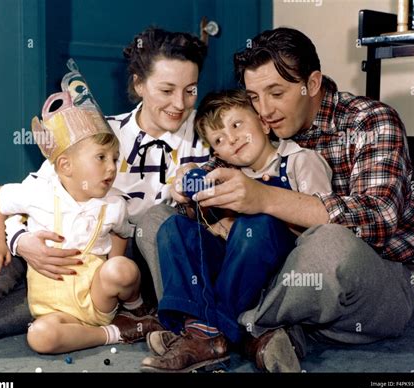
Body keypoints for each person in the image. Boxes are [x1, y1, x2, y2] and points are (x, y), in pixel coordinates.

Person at [138, 27, 414, 372]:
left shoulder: (370, 121)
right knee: (157, 219)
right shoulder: (250, 129)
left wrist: (264, 199)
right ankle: (256, 332)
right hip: (263, 276)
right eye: (254, 97)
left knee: (330, 243)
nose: (265, 111)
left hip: (359, 287)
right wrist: (191, 191)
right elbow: (199, 203)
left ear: (312, 84)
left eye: (276, 93)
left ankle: (204, 326)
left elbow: (379, 221)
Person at [0, 27, 209, 347]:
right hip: (29, 234)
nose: (179, 103)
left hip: (97, 271)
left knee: (4, 322)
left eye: (190, 90)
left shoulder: (204, 144)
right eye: (167, 90)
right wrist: (23, 242)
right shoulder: (97, 133)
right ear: (139, 84)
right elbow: (31, 195)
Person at [139, 89, 333, 372]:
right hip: (234, 267)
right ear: (216, 152)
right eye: (219, 139)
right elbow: (193, 205)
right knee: (174, 228)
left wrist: (258, 211)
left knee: (257, 223)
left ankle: (202, 332)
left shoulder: (300, 160)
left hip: (277, 271)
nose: (230, 139)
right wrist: (185, 183)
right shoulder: (225, 174)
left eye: (236, 124)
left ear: (264, 124)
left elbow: (323, 227)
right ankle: (205, 329)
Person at [0, 63, 165, 354]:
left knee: (122, 269)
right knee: (40, 337)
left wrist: (111, 266)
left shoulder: (114, 204)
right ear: (65, 165)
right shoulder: (40, 192)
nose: (111, 167)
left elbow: (121, 234)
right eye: (101, 158)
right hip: (53, 308)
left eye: (114, 158)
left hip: (96, 299)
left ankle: (135, 308)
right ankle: (116, 333)